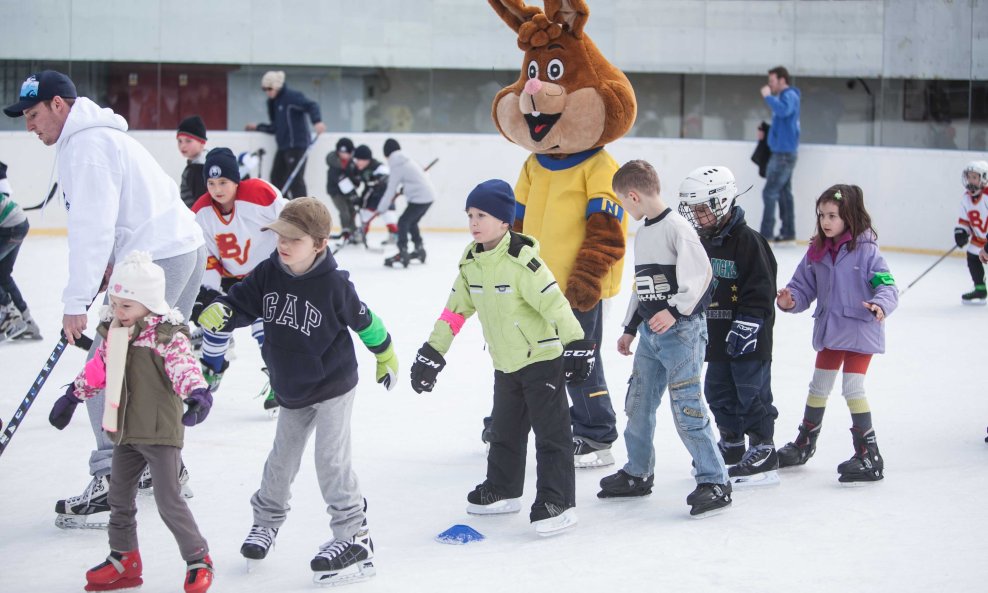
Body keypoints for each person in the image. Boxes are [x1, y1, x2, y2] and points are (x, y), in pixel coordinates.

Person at [4, 70, 207, 528]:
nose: (29, 126)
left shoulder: (86, 148)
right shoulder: (99, 138)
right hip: (182, 250)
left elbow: (91, 229)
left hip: (159, 260)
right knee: (150, 363)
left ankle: (110, 482)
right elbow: (119, 217)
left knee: (105, 366)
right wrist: (107, 271)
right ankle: (161, 469)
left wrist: (76, 300)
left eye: (34, 115)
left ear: (59, 106)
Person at [197, 197, 397, 586]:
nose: (283, 245)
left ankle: (354, 536)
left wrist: (384, 352)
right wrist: (223, 311)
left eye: (294, 239)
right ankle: (266, 525)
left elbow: (364, 319)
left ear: (319, 243)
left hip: (333, 384)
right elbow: (241, 303)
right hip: (290, 385)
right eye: (280, 237)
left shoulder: (334, 284)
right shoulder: (269, 271)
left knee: (330, 460)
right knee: (281, 461)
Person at [409, 179, 594, 536]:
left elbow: (555, 304)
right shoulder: (472, 263)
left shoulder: (522, 263)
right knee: (504, 431)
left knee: (551, 434)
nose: (474, 222)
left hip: (541, 359)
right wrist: (432, 352)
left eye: (482, 215)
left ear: (505, 220)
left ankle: (557, 499)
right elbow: (454, 312)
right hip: (505, 363)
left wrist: (576, 343)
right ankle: (503, 489)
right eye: (470, 215)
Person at [46, 251, 214, 593]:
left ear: (149, 304)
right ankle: (124, 559)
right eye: (115, 303)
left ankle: (198, 558)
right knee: (119, 499)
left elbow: (185, 368)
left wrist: (198, 394)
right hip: (125, 432)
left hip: (159, 433)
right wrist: (72, 397)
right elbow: (98, 369)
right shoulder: (115, 333)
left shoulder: (167, 336)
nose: (117, 312)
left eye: (126, 306)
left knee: (169, 500)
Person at [597, 160, 732, 518]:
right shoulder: (644, 233)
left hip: (682, 335)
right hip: (649, 337)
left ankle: (715, 479)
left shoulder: (678, 228)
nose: (626, 209)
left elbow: (702, 278)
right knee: (638, 403)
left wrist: (674, 311)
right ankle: (637, 473)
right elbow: (642, 287)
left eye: (624, 203)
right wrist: (629, 328)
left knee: (687, 406)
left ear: (633, 195)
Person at [775, 184, 898, 483]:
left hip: (859, 328)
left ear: (849, 216)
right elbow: (803, 287)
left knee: (853, 388)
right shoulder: (817, 250)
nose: (826, 222)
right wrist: (790, 300)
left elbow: (888, 286)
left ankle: (869, 455)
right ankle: (805, 443)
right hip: (831, 330)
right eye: (821, 216)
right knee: (818, 386)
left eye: (833, 215)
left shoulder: (867, 251)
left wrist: (880, 304)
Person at [678, 165, 780, 487]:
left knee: (751, 393)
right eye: (692, 210)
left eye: (701, 209)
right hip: (716, 336)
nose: (696, 216)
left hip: (749, 340)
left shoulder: (750, 242)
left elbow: (762, 288)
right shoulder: (702, 243)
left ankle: (763, 448)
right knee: (718, 391)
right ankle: (732, 443)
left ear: (721, 203)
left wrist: (749, 323)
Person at [190, 147, 287, 412]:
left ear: (236, 180)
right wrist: (207, 290)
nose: (217, 189)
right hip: (233, 281)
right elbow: (206, 254)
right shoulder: (200, 212)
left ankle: (278, 379)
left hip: (269, 275)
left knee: (264, 328)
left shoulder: (260, 194)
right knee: (215, 324)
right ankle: (212, 370)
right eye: (211, 183)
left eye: (223, 182)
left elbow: (292, 220)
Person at [245, 71, 325, 198]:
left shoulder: (291, 97)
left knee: (294, 180)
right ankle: (284, 209)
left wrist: (317, 121)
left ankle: (304, 211)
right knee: (276, 179)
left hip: (297, 145)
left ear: (277, 86)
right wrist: (258, 127)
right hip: (283, 147)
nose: (267, 92)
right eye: (264, 89)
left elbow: (312, 105)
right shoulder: (273, 103)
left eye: (269, 88)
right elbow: (275, 126)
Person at [0, 160, 42, 341]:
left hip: (9, 227)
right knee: (3, 274)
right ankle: (27, 320)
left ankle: (11, 317)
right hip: (19, 222)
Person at [377, 138, 435, 267]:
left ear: (386, 154)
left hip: (420, 198)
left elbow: (391, 189)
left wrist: (381, 208)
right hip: (428, 196)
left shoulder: (396, 164)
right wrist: (406, 188)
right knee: (411, 222)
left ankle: (402, 252)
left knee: (403, 222)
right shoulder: (407, 159)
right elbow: (414, 179)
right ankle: (419, 248)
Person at [759, 65, 801, 243]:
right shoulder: (787, 97)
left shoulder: (788, 96)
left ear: (782, 80)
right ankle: (787, 232)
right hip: (783, 152)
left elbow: (784, 110)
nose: (770, 85)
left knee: (770, 192)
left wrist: (768, 96)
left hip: (783, 154)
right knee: (784, 193)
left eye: (772, 81)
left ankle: (766, 234)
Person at [953, 160, 988, 304]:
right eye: (969, 176)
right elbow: (964, 220)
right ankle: (980, 289)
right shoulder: (966, 198)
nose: (970, 180)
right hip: (980, 240)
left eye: (975, 177)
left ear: (983, 178)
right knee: (972, 255)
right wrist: (961, 232)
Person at [352, 144, 397, 244]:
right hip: (372, 197)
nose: (357, 162)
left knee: (388, 216)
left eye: (359, 160)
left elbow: (389, 177)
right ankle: (362, 234)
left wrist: (380, 181)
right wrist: (360, 199)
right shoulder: (359, 168)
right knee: (365, 215)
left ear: (367, 160)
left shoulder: (378, 167)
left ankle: (395, 235)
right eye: (356, 159)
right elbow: (363, 184)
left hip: (385, 196)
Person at [325, 137, 360, 242]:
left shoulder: (351, 163)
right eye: (341, 152)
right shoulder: (334, 164)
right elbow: (340, 180)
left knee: (352, 211)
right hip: (336, 192)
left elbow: (355, 177)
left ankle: (354, 232)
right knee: (344, 211)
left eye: (347, 153)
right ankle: (346, 232)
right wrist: (352, 193)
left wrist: (356, 181)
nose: (344, 155)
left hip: (347, 192)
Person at [177, 115, 208, 209]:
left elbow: (201, 204)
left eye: (188, 141)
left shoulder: (197, 169)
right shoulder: (201, 165)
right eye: (179, 141)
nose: (182, 146)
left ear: (202, 142)